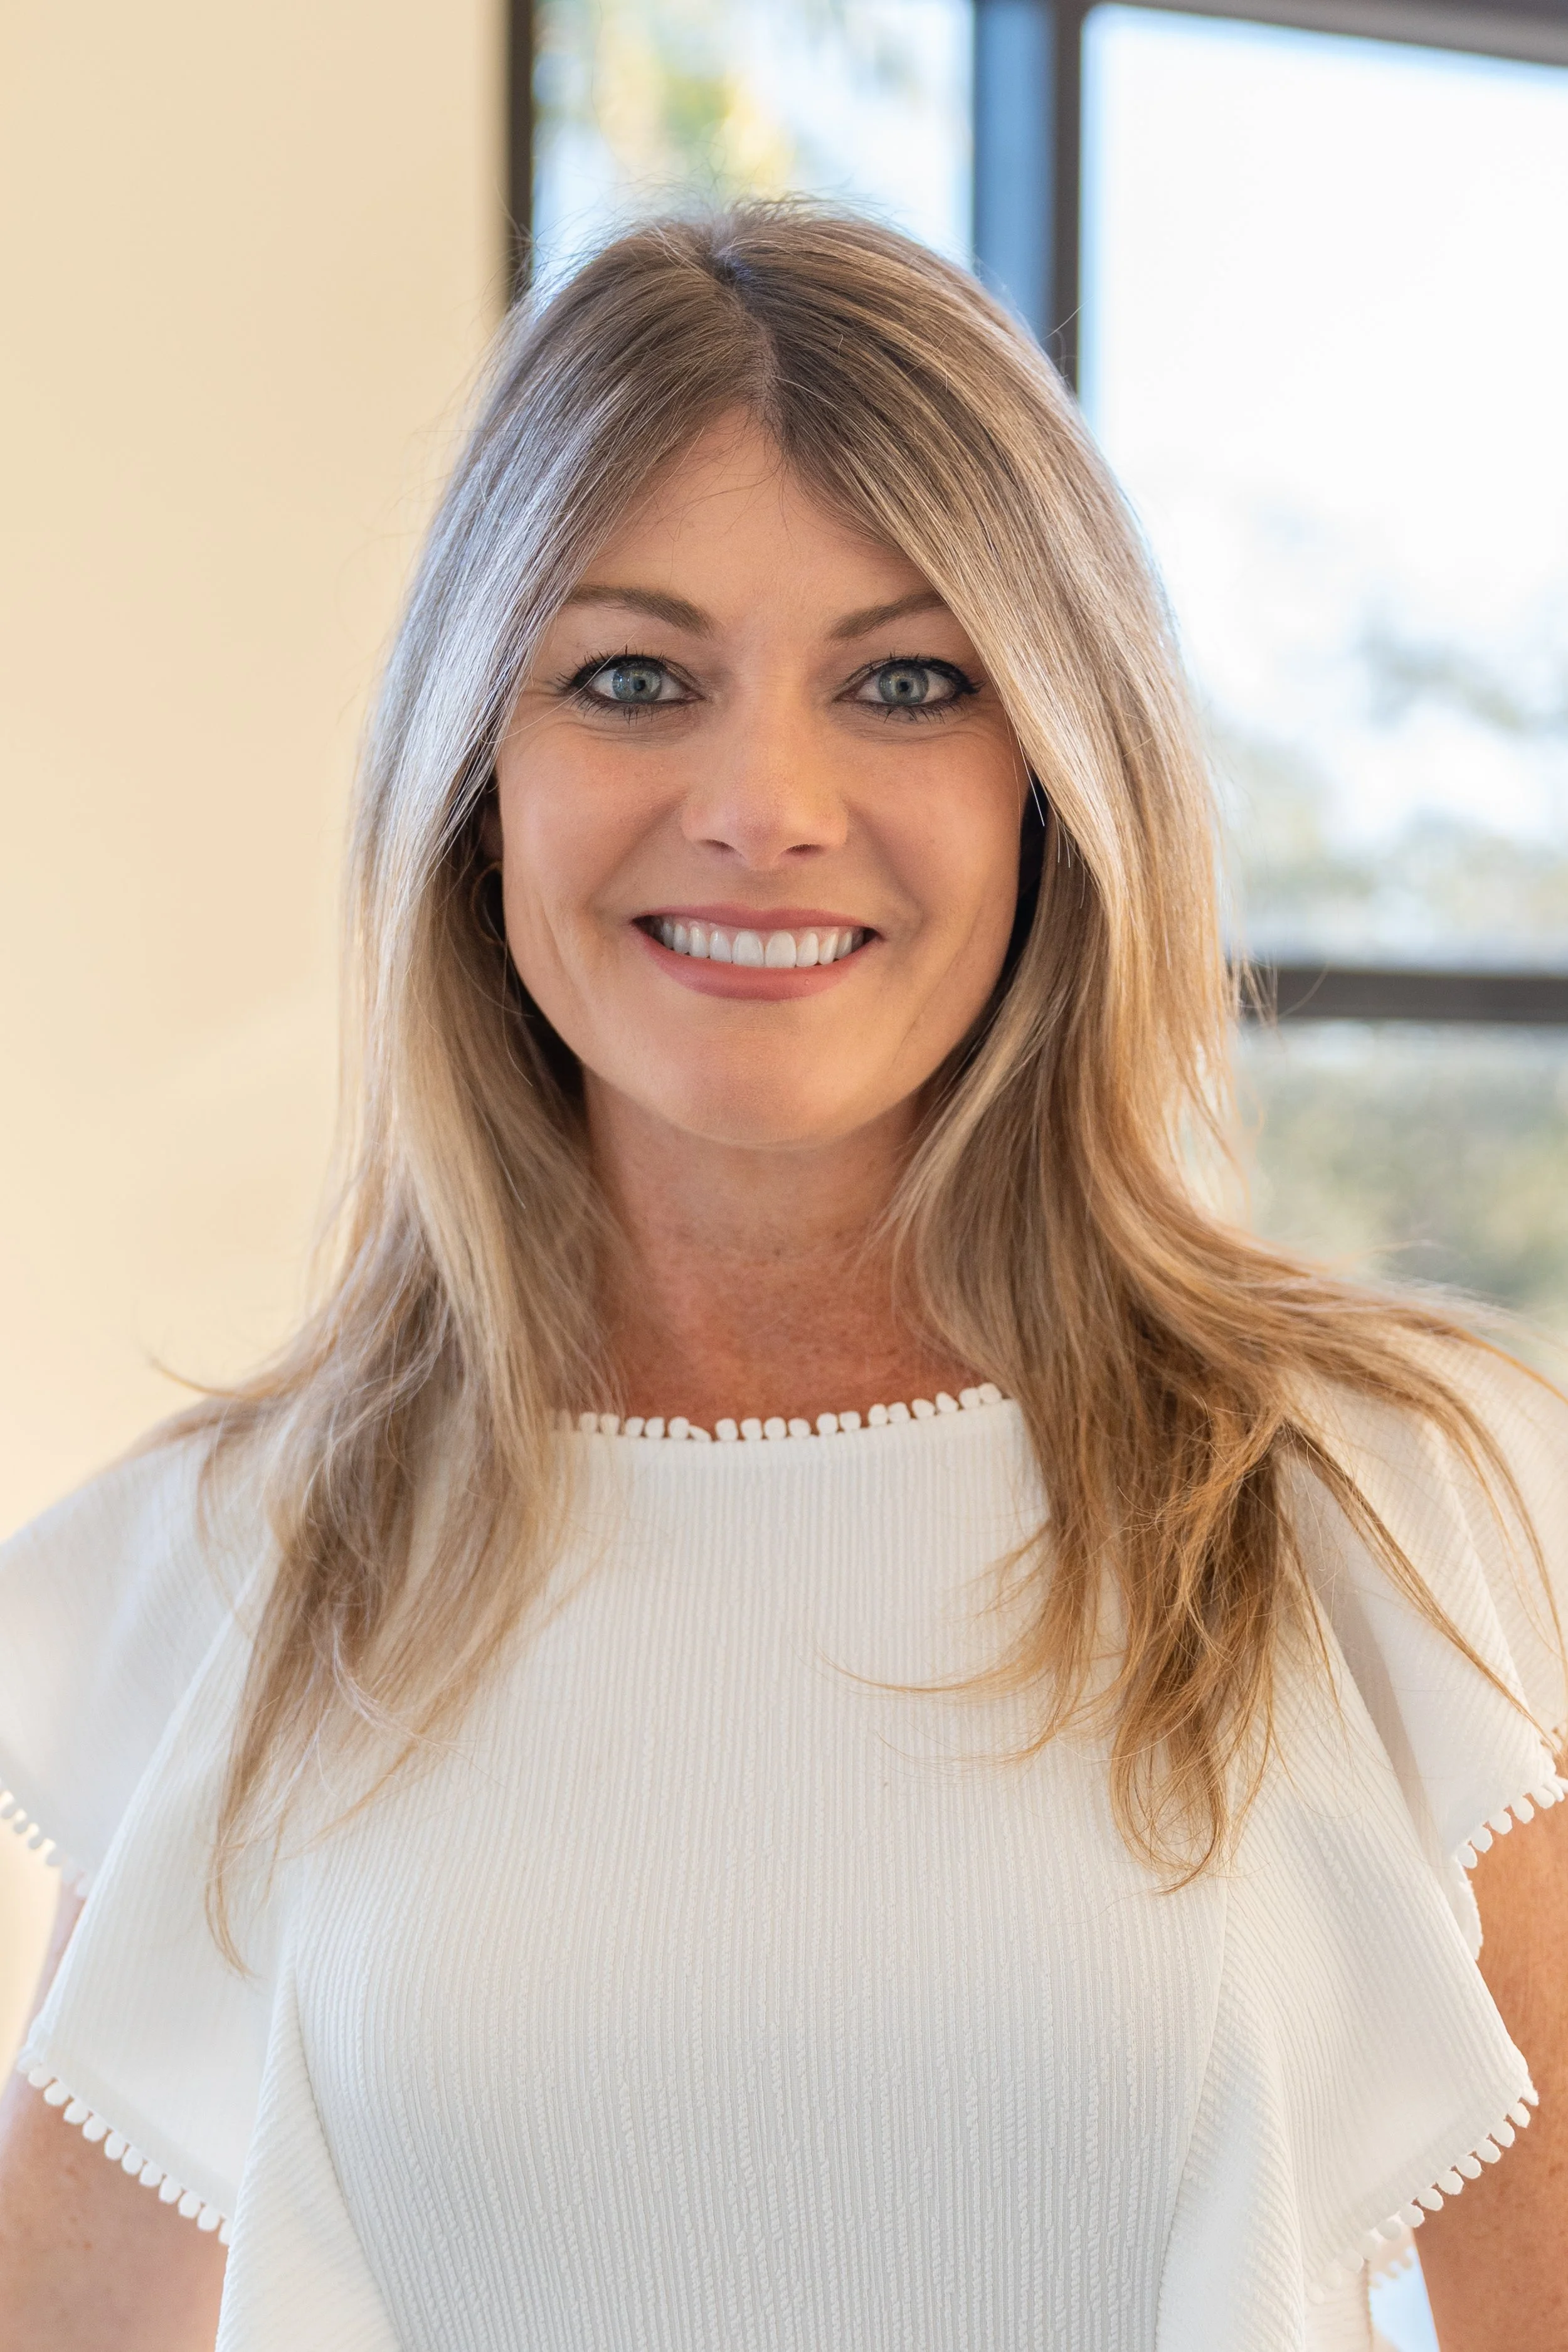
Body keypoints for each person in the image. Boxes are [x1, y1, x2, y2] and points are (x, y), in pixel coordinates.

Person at [0, 204, 1565, 2352]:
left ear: (1056, 774)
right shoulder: (241, 1563)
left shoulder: (1379, 1492)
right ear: (475, 769)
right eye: (629, 678)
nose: (762, 804)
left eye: (906, 681)